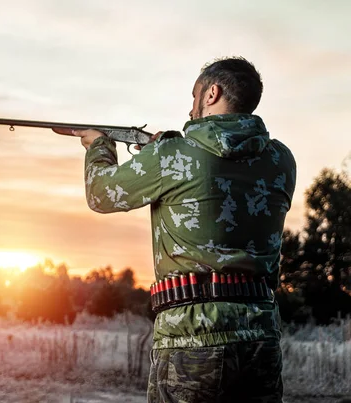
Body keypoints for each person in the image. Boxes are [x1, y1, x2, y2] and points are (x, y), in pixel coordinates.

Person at [58, 57, 296, 402]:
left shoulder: (170, 155)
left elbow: (100, 194)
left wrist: (98, 145)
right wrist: (165, 150)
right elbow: (218, 170)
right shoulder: (281, 159)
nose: (190, 108)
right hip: (260, 335)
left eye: (195, 96)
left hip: (191, 336)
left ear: (212, 93)